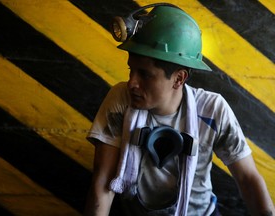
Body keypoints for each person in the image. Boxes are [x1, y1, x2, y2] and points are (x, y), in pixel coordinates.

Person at [84, 3, 275, 216]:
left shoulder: (213, 110)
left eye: (145, 74)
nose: (132, 83)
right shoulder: (121, 100)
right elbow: (103, 184)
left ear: (179, 78)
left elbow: (247, 179)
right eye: (131, 70)